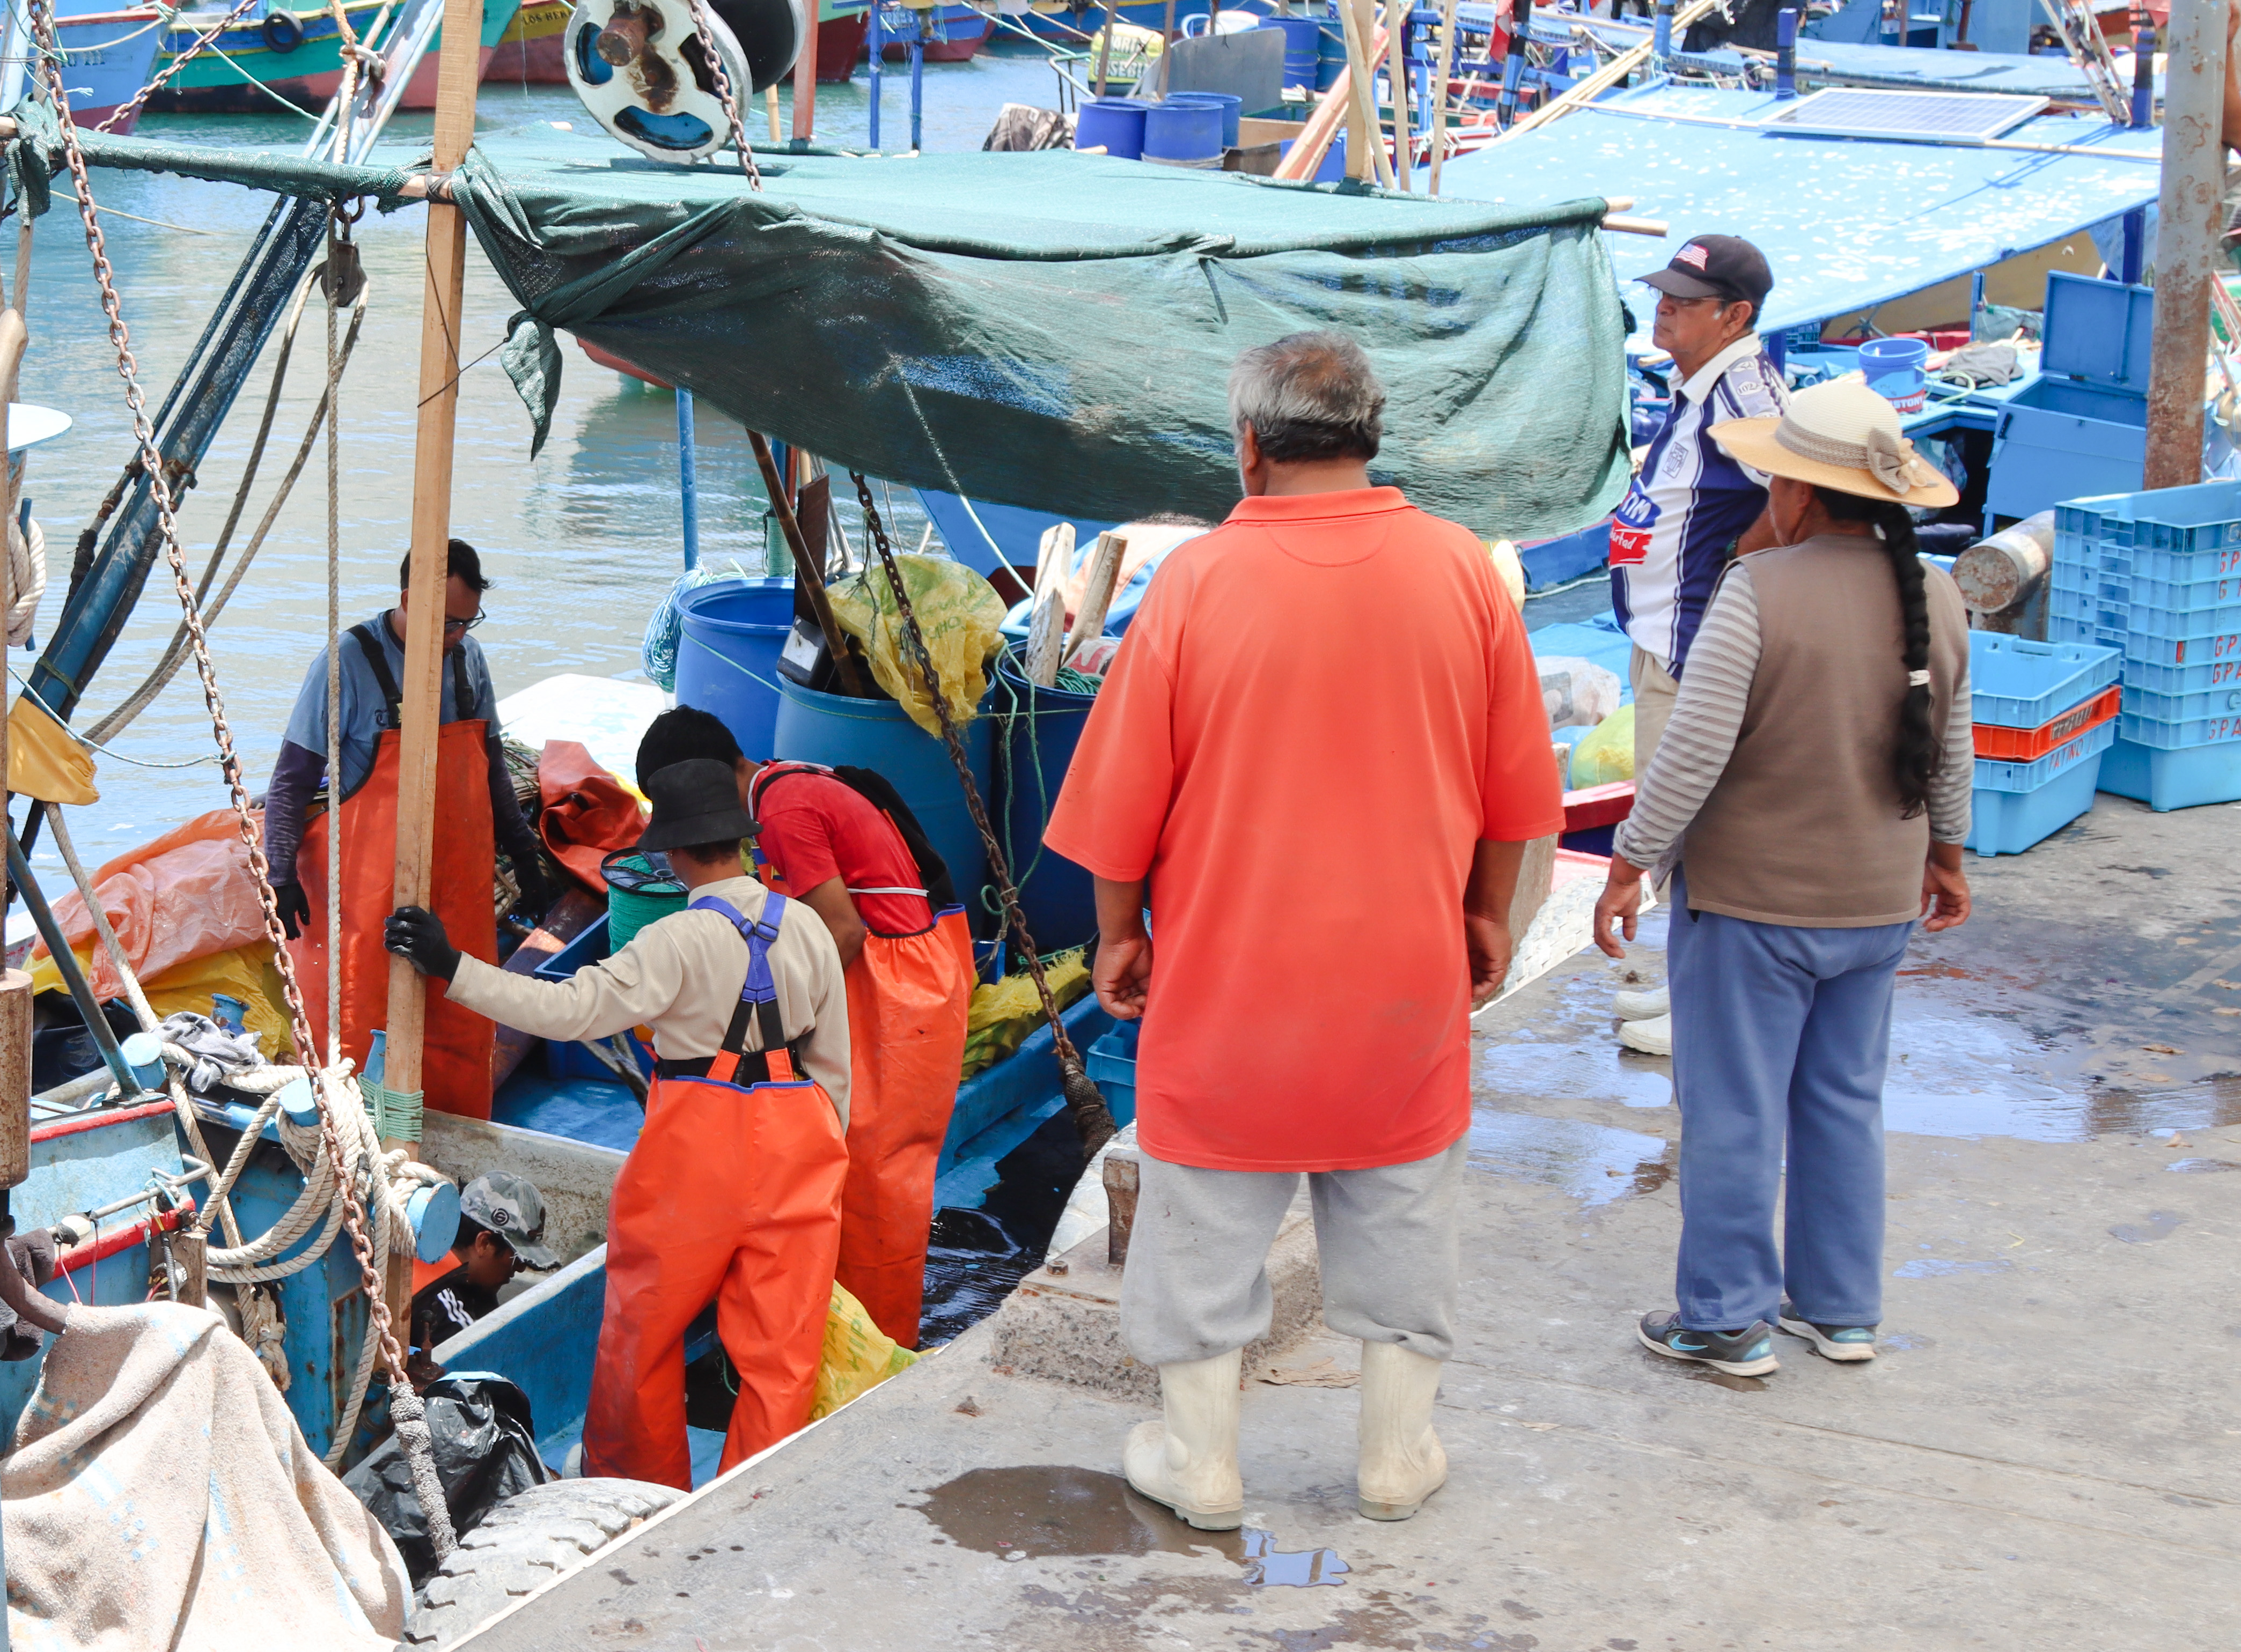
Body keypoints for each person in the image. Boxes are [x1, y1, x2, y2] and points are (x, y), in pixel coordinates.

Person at [1044, 333, 1561, 1530]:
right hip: (1401, 982)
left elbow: (1122, 804)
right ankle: (1394, 1456)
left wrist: (1121, 937)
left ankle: (1201, 1462)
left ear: (1249, 446)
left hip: (1231, 988)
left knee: (1203, 1219)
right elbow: (1516, 796)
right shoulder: (1463, 572)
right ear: (1373, 437)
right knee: (1402, 1206)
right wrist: (1484, 916)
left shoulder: (1199, 584)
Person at [1591, 379, 1974, 1378]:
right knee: (1845, 1101)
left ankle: (1725, 1320)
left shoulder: (1758, 591)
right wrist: (1947, 853)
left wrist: (1629, 864)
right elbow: (1952, 742)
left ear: (1798, 495)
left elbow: (1691, 755)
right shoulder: (1934, 592)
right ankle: (1841, 1311)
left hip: (1753, 908)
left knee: (1733, 1112)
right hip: (1879, 899)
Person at [388, 760, 852, 1488]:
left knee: (646, 1335)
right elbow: (835, 1072)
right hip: (805, 1146)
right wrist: (820, 1156)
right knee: (782, 1358)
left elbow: (567, 1011)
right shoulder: (809, 930)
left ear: (673, 855)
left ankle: (636, 1497)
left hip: (697, 1153)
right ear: (741, 843)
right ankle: (758, 1504)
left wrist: (453, 965)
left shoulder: (674, 941)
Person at [633, 704, 973, 1348]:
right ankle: (859, 1335)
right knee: (875, 1170)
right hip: (922, 968)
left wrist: (774, 1019)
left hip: (895, 989)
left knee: (873, 1178)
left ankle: (869, 1350)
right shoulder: (786, 779)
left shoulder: (783, 812)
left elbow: (841, 930)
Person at [261, 537, 549, 1118]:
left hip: (457, 893)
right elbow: (292, 780)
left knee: (462, 1024)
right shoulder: (346, 662)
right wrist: (281, 872)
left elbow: (491, 766)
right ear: (406, 599)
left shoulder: (469, 662)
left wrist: (524, 854)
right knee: (362, 1032)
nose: (457, 637)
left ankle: (453, 1138)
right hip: (370, 900)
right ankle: (350, 1142)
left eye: (468, 622)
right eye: (445, 623)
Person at [1606, 232, 1787, 737]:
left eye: (1685, 301)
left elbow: (1805, 493)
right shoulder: (1701, 381)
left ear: (1735, 316)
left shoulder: (1743, 397)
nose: (1664, 309)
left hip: (1690, 660)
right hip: (1665, 645)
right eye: (1663, 296)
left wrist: (1737, 556)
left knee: (1673, 815)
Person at [415, 1171, 554, 1366]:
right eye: (517, 1258)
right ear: (484, 1243)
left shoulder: (430, 1250)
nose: (521, 1269)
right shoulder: (443, 1307)